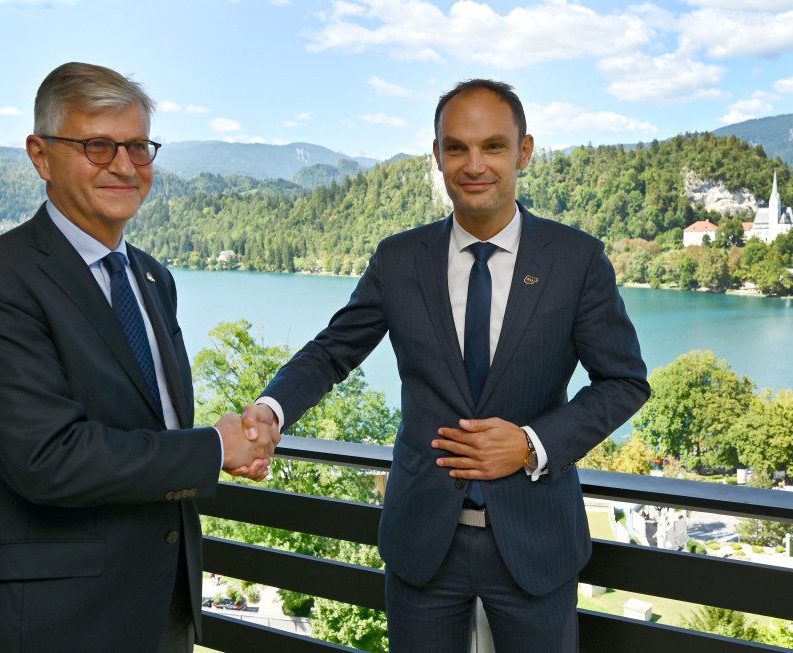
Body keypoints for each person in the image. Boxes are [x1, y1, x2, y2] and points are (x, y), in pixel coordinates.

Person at [247, 79, 650, 651]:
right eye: (456, 147)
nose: (473, 164)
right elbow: (332, 351)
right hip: (422, 541)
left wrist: (532, 443)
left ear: (524, 152)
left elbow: (624, 382)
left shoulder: (576, 259)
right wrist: (271, 407)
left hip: (536, 540)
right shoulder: (399, 259)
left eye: (492, 146)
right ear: (436, 155)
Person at [0, 62, 277, 653]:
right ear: (41, 155)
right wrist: (214, 448)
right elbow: (46, 457)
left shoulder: (153, 277)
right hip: (54, 620)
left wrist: (224, 445)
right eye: (98, 146)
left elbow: (155, 424)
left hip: (161, 606)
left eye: (138, 146)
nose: (125, 165)